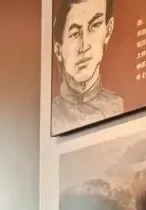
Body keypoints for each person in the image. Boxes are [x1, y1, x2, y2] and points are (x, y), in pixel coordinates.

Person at [51, 0, 123, 133]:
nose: (84, 46)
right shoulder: (52, 117)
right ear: (58, 50)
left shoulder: (119, 106)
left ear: (108, 31)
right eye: (75, 34)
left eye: (94, 26)